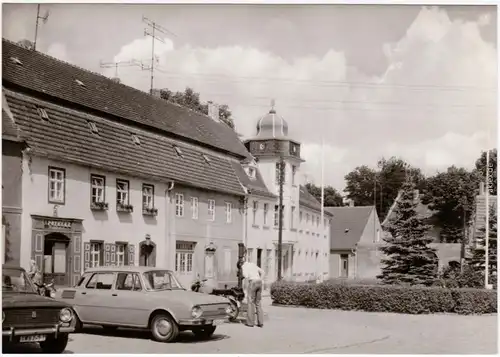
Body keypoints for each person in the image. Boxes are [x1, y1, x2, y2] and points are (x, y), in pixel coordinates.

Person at [241, 260, 265, 328]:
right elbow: (263, 272)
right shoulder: (253, 264)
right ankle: (261, 322)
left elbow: (246, 276)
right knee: (258, 302)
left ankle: (250, 323)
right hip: (259, 282)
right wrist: (261, 279)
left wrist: (245, 289)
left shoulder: (244, 266)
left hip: (252, 282)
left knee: (250, 302)